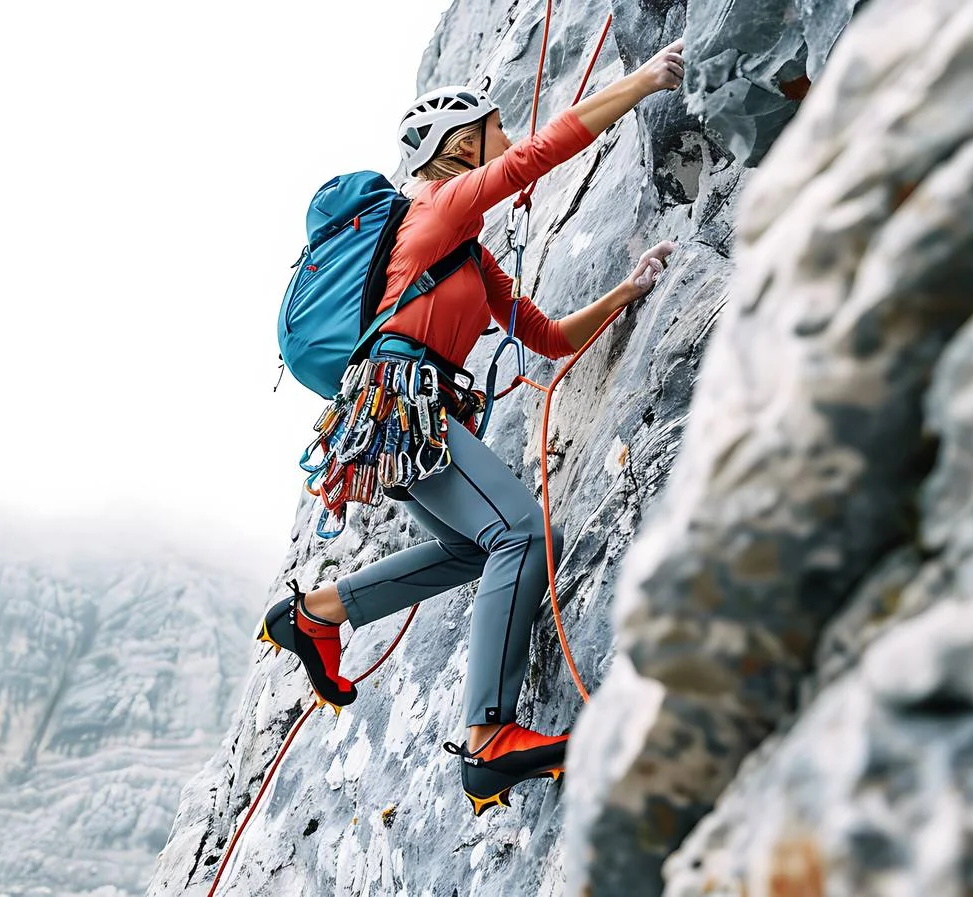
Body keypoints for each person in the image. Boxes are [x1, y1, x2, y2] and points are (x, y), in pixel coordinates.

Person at [259, 40, 688, 816]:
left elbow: (545, 336)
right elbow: (538, 156)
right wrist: (648, 77)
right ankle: (488, 737)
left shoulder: (463, 253)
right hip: (402, 401)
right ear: (461, 146)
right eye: (492, 130)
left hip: (395, 412)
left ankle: (318, 612)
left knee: (470, 547)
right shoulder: (439, 206)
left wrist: (628, 291)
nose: (503, 140)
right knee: (521, 531)